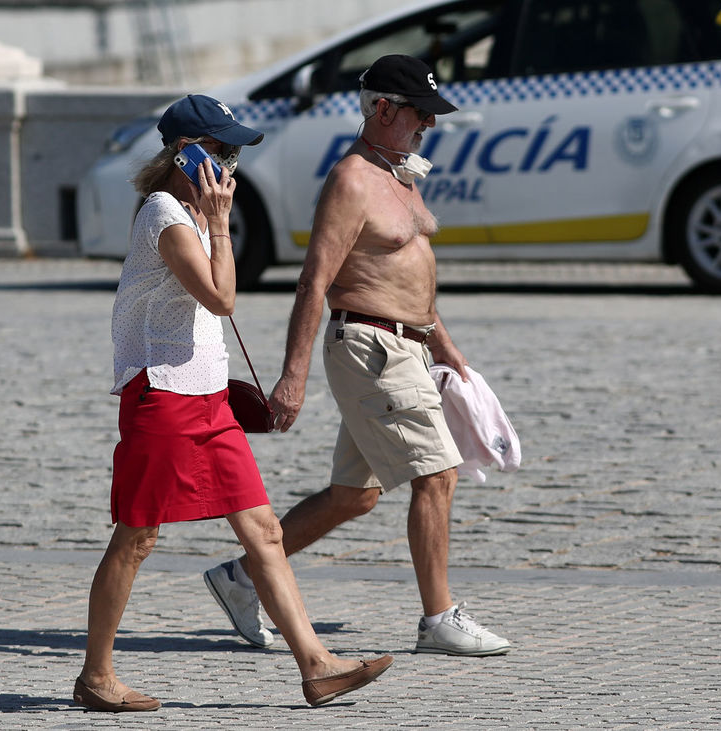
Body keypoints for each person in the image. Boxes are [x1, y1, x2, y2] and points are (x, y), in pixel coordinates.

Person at [75, 94, 392, 713]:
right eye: (221, 151)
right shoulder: (166, 214)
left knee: (265, 532)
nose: (231, 166)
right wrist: (222, 222)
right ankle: (95, 675)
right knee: (136, 538)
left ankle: (317, 665)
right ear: (184, 153)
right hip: (161, 397)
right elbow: (222, 298)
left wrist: (215, 218)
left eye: (236, 153)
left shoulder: (190, 210)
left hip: (208, 401)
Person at [202, 56, 511, 657]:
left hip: (408, 345)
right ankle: (438, 619)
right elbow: (315, 279)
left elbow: (406, 275)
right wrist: (292, 378)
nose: (428, 125)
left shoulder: (400, 173)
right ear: (383, 110)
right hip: (372, 346)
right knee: (436, 475)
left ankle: (240, 579)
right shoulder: (351, 179)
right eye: (420, 114)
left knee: (355, 495)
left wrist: (448, 350)